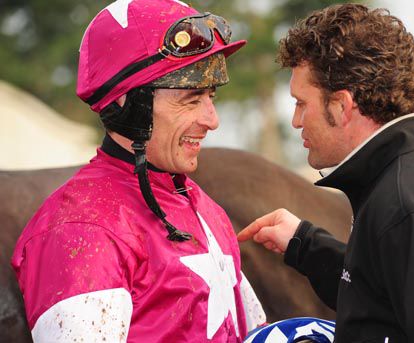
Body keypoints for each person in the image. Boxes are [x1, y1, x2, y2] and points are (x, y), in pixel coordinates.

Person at [238, 4, 414, 343]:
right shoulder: (409, 181)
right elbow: (385, 300)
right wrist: (307, 246)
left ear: (342, 106)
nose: (295, 120)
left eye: (302, 103)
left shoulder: (412, 207)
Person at [11, 0, 266, 341]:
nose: (212, 120)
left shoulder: (202, 205)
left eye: (211, 97)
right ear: (128, 105)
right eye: (190, 99)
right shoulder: (80, 229)